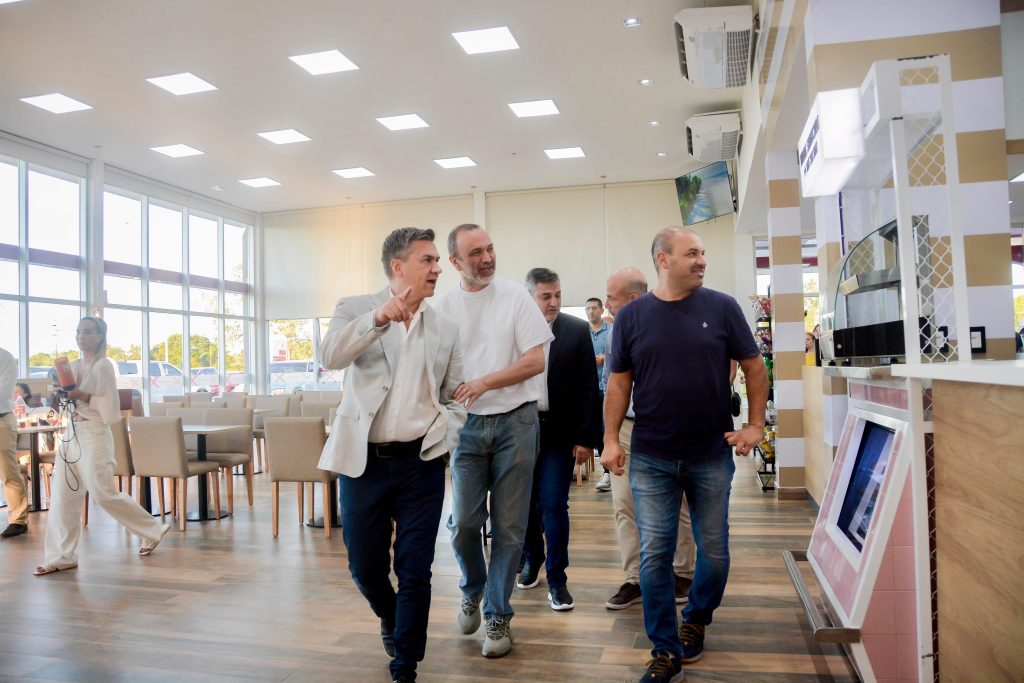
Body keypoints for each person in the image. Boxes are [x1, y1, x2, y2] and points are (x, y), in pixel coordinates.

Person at [602, 228, 767, 683]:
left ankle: (696, 618)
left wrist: (755, 425)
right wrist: (611, 439)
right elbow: (619, 382)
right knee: (655, 553)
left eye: (702, 253)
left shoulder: (722, 307)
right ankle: (665, 647)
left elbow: (754, 366)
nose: (701, 261)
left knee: (713, 550)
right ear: (663, 260)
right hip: (652, 456)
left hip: (710, 453)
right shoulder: (633, 317)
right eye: (692, 253)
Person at [318, 227, 466, 683]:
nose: (438, 269)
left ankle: (406, 663)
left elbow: (455, 396)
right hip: (363, 463)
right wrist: (378, 318)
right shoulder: (354, 308)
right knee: (364, 566)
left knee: (416, 568)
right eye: (428, 260)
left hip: (420, 463)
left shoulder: (445, 327)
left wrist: (448, 431)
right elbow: (331, 355)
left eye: (437, 260)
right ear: (398, 266)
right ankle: (390, 618)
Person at [435, 223, 552, 658]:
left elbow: (535, 360)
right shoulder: (443, 307)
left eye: (490, 249)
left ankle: (498, 615)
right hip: (466, 428)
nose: (487, 258)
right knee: (464, 523)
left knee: (508, 526)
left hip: (516, 423)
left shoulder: (515, 297)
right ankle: (472, 588)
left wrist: (485, 381)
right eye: (475, 253)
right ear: (454, 263)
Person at [35, 316, 170, 576]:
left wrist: (82, 396)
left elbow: (110, 408)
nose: (81, 337)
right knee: (63, 497)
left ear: (99, 336)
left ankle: (151, 529)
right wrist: (57, 396)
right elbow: (67, 403)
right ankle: (61, 556)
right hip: (71, 434)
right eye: (78, 332)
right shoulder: (73, 366)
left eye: (87, 332)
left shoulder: (104, 366)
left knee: (102, 493)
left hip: (95, 433)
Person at [600, 268, 696, 612]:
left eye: (611, 297)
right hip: (627, 426)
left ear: (633, 299)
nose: (605, 303)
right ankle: (635, 579)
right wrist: (609, 436)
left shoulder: (672, 323)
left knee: (678, 502)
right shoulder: (615, 332)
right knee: (624, 504)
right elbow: (614, 384)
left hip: (665, 428)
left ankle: (682, 573)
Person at [518, 268, 600, 611]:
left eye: (558, 295)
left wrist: (585, 438)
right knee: (522, 507)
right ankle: (531, 556)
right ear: (530, 296)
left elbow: (587, 388)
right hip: (519, 431)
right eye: (545, 296)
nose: (554, 302)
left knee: (553, 503)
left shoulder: (577, 330)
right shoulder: (513, 330)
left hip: (559, 434)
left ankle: (558, 579)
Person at [0, 346, 29, 539]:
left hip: (1, 420)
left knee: (8, 471)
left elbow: (3, 392)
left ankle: (18, 520)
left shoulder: (4, 357)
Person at [585, 296, 612, 492]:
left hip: (607, 388)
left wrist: (606, 359)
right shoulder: (581, 332)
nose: (590, 312)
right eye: (587, 309)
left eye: (594, 308)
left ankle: (608, 473)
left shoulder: (611, 331)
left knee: (605, 429)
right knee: (594, 430)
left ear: (601, 310)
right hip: (587, 389)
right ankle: (605, 467)